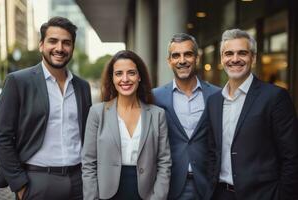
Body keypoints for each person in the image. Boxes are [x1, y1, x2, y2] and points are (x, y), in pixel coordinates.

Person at [0, 16, 92, 200]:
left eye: (66, 43)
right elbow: (1, 137)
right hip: (37, 181)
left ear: (72, 48)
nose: (59, 48)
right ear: (41, 45)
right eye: (53, 41)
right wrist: (20, 184)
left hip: (79, 181)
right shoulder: (18, 82)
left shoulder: (82, 87)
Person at [206, 28, 298, 200]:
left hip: (263, 195)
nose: (235, 59)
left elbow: (291, 157)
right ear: (221, 59)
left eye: (242, 53)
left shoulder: (275, 97)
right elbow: (212, 152)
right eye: (229, 53)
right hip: (220, 194)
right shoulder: (214, 101)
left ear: (253, 58)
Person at [82, 50, 171, 200]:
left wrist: (158, 197)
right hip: (106, 194)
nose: (125, 79)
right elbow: (88, 163)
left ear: (139, 76)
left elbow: (164, 162)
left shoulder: (157, 114)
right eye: (118, 73)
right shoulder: (97, 113)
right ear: (112, 78)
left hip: (146, 194)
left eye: (131, 73)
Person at [152, 33, 220, 200]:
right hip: (171, 185)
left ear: (196, 58)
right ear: (169, 61)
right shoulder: (155, 97)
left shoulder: (216, 95)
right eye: (176, 55)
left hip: (209, 186)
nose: (182, 60)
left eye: (188, 54)